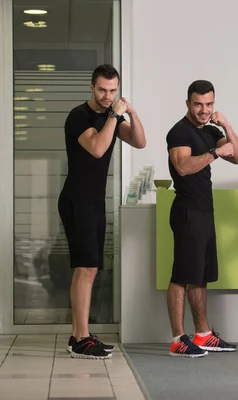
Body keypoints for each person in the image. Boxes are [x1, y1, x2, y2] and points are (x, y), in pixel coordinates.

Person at [59, 64, 146, 359]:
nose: (108, 96)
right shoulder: (79, 116)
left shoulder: (111, 116)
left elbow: (139, 141)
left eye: (112, 90)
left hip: (95, 201)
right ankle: (81, 338)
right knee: (85, 267)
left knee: (90, 267)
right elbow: (97, 148)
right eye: (102, 90)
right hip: (76, 200)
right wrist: (113, 116)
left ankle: (77, 335)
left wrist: (131, 114)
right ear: (91, 87)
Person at [166, 80, 238, 357]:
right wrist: (213, 153)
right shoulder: (179, 132)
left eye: (209, 104)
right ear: (188, 103)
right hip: (187, 211)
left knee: (200, 276)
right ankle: (178, 339)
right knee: (181, 276)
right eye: (198, 104)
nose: (203, 109)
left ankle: (203, 335)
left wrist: (227, 127)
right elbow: (183, 167)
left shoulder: (211, 131)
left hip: (204, 211)